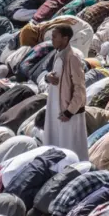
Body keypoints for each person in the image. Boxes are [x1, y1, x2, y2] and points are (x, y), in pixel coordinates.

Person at [43, 25, 89, 161]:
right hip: (55, 106)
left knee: (70, 147)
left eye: (54, 36)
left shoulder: (73, 57)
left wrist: (69, 111)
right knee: (56, 142)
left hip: (68, 111)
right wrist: (47, 77)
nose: (52, 40)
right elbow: (55, 77)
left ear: (65, 38)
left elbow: (79, 88)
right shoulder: (58, 53)